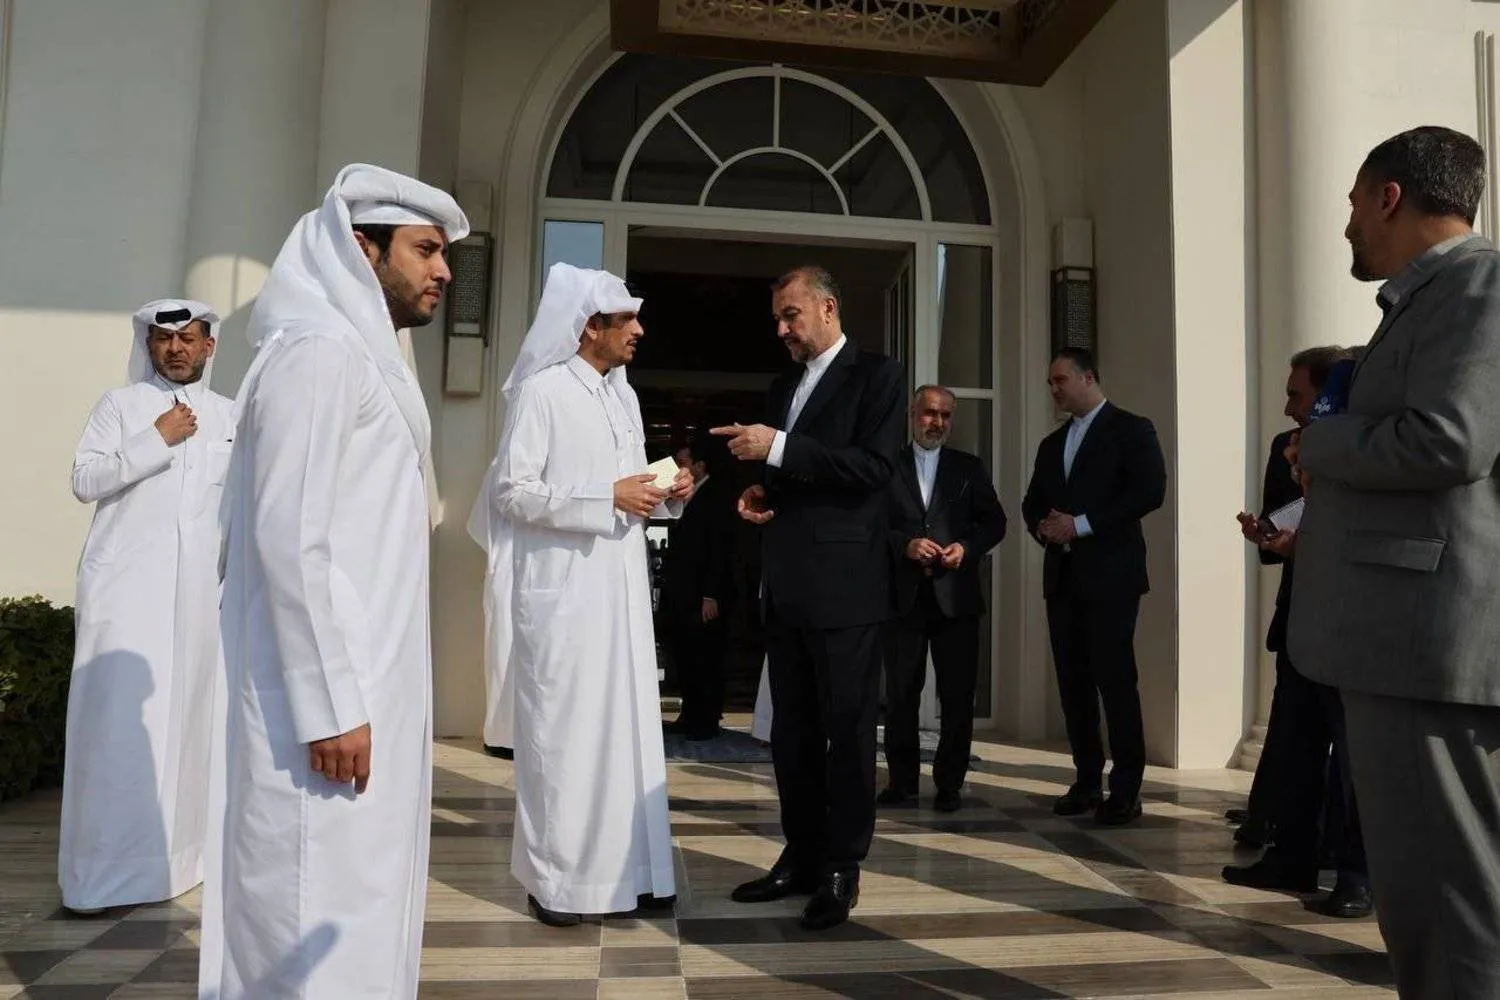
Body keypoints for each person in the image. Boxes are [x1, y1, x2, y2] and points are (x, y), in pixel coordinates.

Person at [202, 164, 467, 999]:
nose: (444, 271)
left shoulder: (359, 357)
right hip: (320, 711)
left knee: (357, 904)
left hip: (364, 693)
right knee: (308, 905)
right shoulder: (315, 353)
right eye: (425, 250)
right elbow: (289, 537)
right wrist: (328, 704)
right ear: (362, 249)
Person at [1288, 125, 1500, 996]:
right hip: (1404, 644)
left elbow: (1448, 441)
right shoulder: (1433, 298)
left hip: (1425, 649)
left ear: (1388, 197)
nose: (1345, 227)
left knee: (1444, 904)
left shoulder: (1479, 287)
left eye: (1350, 204)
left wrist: (1324, 441)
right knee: (1428, 898)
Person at [479, 261, 693, 927]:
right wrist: (608, 495)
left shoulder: (621, 395)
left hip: (621, 594)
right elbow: (511, 492)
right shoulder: (542, 393)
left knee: (627, 735)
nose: (641, 330)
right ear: (589, 326)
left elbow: (631, 490)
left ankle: (637, 873)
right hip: (565, 598)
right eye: (627, 319)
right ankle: (559, 885)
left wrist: (668, 492)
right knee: (564, 742)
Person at [714, 265, 905, 931]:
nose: (783, 330)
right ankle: (799, 854)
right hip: (787, 585)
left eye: (792, 315)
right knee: (791, 735)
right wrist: (759, 491)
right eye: (777, 319)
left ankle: (840, 867)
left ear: (828, 307)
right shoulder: (781, 386)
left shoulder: (879, 377)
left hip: (848, 589)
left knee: (847, 734)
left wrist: (781, 446)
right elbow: (794, 476)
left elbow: (874, 470)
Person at [60, 299, 232, 914]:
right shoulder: (120, 407)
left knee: (190, 728)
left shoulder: (232, 417)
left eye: (189, 338)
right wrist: (154, 440)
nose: (177, 349)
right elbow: (86, 480)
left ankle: (182, 863)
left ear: (210, 347)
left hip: (198, 605)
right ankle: (101, 877)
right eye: (165, 340)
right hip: (126, 598)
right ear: (150, 346)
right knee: (116, 734)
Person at [1223, 347, 1370, 919]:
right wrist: (1273, 537)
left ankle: (1355, 875)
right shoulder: (1283, 449)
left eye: (1298, 396)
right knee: (1294, 746)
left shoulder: (1367, 447)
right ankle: (1291, 856)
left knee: (1354, 760)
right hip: (1300, 621)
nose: (1288, 408)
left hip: (1355, 625)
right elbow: (1282, 526)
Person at [1021, 348, 1166, 826]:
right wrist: (1045, 528)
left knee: (1115, 681)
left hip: (1111, 579)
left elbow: (1149, 491)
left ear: (1088, 377)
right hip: (1062, 579)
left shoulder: (1132, 429)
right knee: (1073, 686)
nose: (1055, 389)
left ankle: (1125, 790)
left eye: (1061, 380)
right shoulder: (1051, 443)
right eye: (1050, 383)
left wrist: (1080, 525)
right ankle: (1086, 781)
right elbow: (1032, 503)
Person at [879, 385, 1007, 812]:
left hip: (957, 599)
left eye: (946, 416)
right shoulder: (887, 465)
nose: (937, 423)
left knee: (957, 696)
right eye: (930, 413)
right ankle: (901, 783)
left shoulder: (969, 467)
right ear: (913, 414)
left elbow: (995, 522)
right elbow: (870, 525)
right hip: (903, 599)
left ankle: (950, 784)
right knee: (900, 696)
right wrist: (904, 545)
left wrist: (966, 549)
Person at [662, 433, 738, 740]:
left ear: (700, 467)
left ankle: (706, 719)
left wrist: (711, 594)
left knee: (706, 656)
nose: (678, 469)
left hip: (703, 594)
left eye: (683, 463)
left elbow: (720, 550)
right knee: (687, 654)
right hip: (683, 593)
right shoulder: (687, 498)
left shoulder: (715, 498)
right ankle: (690, 713)